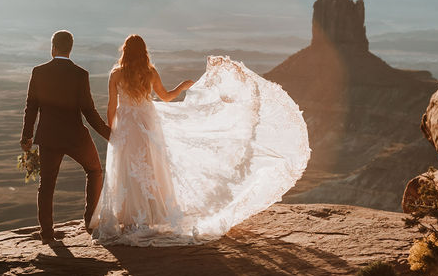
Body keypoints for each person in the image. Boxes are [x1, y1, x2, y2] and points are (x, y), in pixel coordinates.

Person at [91, 35, 310, 246]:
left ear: (125, 51)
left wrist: (114, 129)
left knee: (127, 168)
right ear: (143, 52)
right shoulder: (149, 72)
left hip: (127, 124)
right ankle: (148, 216)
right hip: (148, 123)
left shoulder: (116, 74)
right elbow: (166, 97)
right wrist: (182, 87)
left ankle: (129, 219)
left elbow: (111, 105)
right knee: (150, 167)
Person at [20, 30, 110, 243]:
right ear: (70, 48)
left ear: (53, 48)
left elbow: (31, 107)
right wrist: (109, 134)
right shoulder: (80, 74)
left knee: (46, 184)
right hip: (75, 136)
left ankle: (47, 234)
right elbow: (89, 111)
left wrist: (27, 136)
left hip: (48, 137)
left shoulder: (39, 72)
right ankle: (90, 220)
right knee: (95, 170)